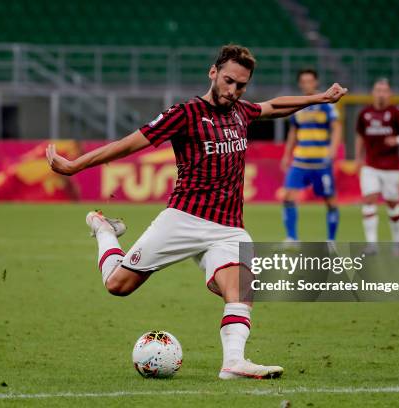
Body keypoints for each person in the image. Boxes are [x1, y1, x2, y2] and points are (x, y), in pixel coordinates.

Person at [46, 45, 347, 379]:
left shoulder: (240, 112)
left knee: (242, 287)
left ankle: (233, 363)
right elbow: (130, 143)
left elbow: (273, 106)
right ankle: (104, 230)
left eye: (241, 86)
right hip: (184, 219)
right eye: (229, 81)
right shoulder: (185, 113)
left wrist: (319, 97)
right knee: (118, 285)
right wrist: (75, 165)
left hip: (229, 226)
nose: (233, 91)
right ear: (213, 72)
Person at [277, 69, 342, 246]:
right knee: (288, 196)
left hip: (321, 161)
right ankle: (292, 238)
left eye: (310, 81)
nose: (307, 84)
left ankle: (331, 240)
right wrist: (286, 155)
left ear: (316, 83)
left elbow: (337, 127)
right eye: (303, 81)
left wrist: (333, 149)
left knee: (330, 200)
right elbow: (293, 132)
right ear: (300, 84)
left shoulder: (327, 104)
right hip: (300, 161)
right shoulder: (298, 106)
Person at [355, 78, 399, 255]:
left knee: (393, 204)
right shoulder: (364, 113)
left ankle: (397, 243)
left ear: (390, 94)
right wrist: (358, 158)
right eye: (378, 90)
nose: (381, 94)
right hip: (370, 165)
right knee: (368, 201)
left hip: (391, 167)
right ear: (373, 93)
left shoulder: (397, 113)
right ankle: (372, 244)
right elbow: (360, 136)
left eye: (384, 90)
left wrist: (397, 139)